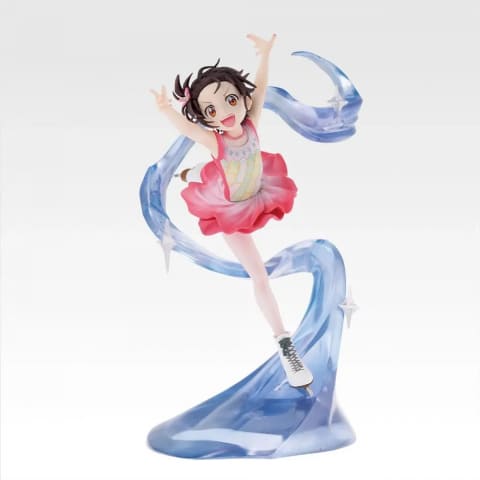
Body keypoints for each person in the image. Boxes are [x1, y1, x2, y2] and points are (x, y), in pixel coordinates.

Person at [150, 34, 313, 390]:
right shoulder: (215, 139)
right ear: (205, 118)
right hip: (230, 208)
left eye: (230, 100)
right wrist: (165, 110)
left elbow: (262, 86)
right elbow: (188, 128)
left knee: (210, 171)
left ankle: (191, 173)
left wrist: (265, 56)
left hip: (257, 189)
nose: (224, 112)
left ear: (242, 97)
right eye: (211, 110)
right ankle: (284, 342)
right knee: (260, 276)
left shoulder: (251, 122)